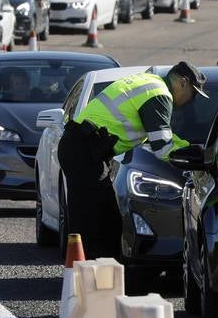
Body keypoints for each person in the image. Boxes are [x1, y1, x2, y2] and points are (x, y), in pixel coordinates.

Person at [57, 62, 207, 257]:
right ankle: (88, 276)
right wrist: (197, 156)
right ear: (182, 83)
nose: (191, 100)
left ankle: (91, 273)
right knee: (95, 220)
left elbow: (164, 136)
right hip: (84, 149)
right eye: (193, 94)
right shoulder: (159, 94)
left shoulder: (150, 84)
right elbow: (163, 148)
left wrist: (188, 146)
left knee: (102, 218)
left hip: (83, 148)